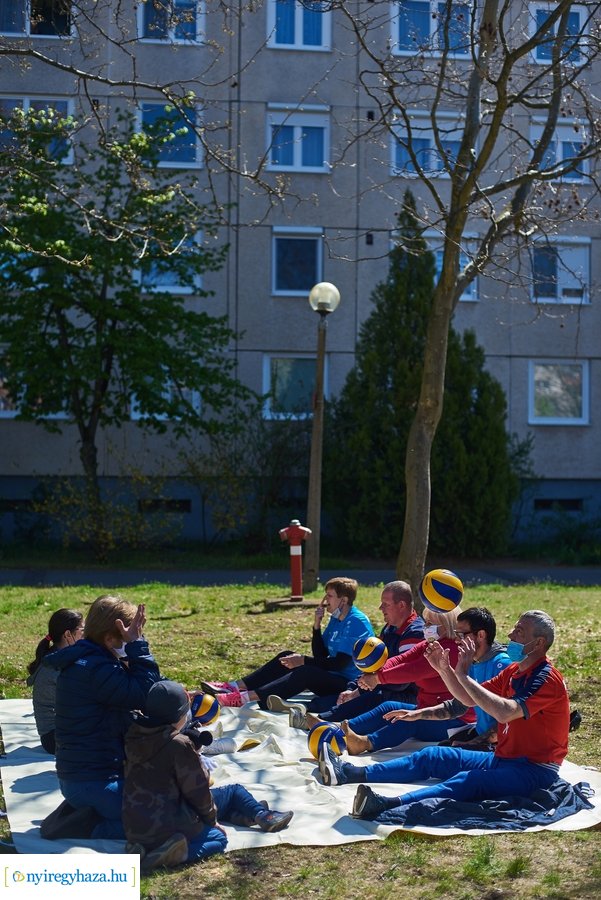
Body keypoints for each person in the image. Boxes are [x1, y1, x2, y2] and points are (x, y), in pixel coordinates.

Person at [318, 610, 570, 823]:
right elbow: (466, 700)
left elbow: (505, 713)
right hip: (504, 758)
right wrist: (446, 669)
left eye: (520, 633)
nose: (511, 636)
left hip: (535, 770)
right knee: (431, 755)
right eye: (514, 629)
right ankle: (349, 773)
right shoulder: (515, 670)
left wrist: (460, 674)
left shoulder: (545, 678)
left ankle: (386, 805)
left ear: (539, 643)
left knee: (467, 781)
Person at [124, 680, 294, 874]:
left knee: (227, 799)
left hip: (136, 825)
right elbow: (198, 790)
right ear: (180, 713)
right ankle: (171, 855)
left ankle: (246, 815)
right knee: (219, 836)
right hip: (170, 823)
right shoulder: (178, 745)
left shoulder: (134, 735)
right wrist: (212, 820)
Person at [44, 594, 161, 839]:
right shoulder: (98, 669)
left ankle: (85, 813)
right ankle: (84, 825)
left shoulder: (93, 660)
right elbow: (143, 694)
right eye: (129, 636)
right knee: (160, 819)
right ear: (110, 638)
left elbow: (135, 691)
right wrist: (138, 647)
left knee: (158, 805)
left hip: (85, 777)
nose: (135, 639)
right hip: (91, 781)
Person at [320, 606, 474, 755]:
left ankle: (365, 743)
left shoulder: (451, 649)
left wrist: (378, 678)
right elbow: (401, 659)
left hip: (456, 720)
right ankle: (339, 730)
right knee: (389, 707)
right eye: (425, 621)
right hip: (426, 707)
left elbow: (413, 670)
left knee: (407, 721)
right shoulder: (431, 644)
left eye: (430, 623)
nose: (425, 627)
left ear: (447, 626)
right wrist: (374, 672)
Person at [202, 577, 374, 709]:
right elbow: (320, 655)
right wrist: (316, 626)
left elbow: (338, 664)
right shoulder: (336, 618)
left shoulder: (356, 622)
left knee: (305, 671)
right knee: (286, 657)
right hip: (333, 676)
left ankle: (244, 698)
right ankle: (232, 687)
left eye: (329, 596)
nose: (324, 600)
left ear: (343, 600)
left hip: (349, 684)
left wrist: (303, 661)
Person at [289, 580, 424, 727]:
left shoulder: (414, 633)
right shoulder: (390, 628)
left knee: (374, 697)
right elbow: (373, 665)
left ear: (402, 605)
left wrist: (367, 685)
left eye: (385, 604)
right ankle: (314, 713)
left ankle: (325, 721)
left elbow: (402, 681)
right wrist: (353, 688)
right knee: (349, 695)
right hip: (384, 684)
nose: (380, 608)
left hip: (412, 697)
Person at [393, 607, 512, 751]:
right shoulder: (474, 661)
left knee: (435, 755)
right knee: (439, 751)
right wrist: (442, 669)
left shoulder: (503, 665)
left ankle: (364, 772)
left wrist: (472, 744)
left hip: (500, 744)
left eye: (461, 634)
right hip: (480, 735)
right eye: (456, 634)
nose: (456, 639)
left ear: (480, 635)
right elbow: (460, 705)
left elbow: (510, 718)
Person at [26, 608, 84, 754]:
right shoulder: (57, 664)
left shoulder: (57, 656)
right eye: (82, 630)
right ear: (67, 634)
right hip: (55, 738)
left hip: (59, 732)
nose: (86, 635)